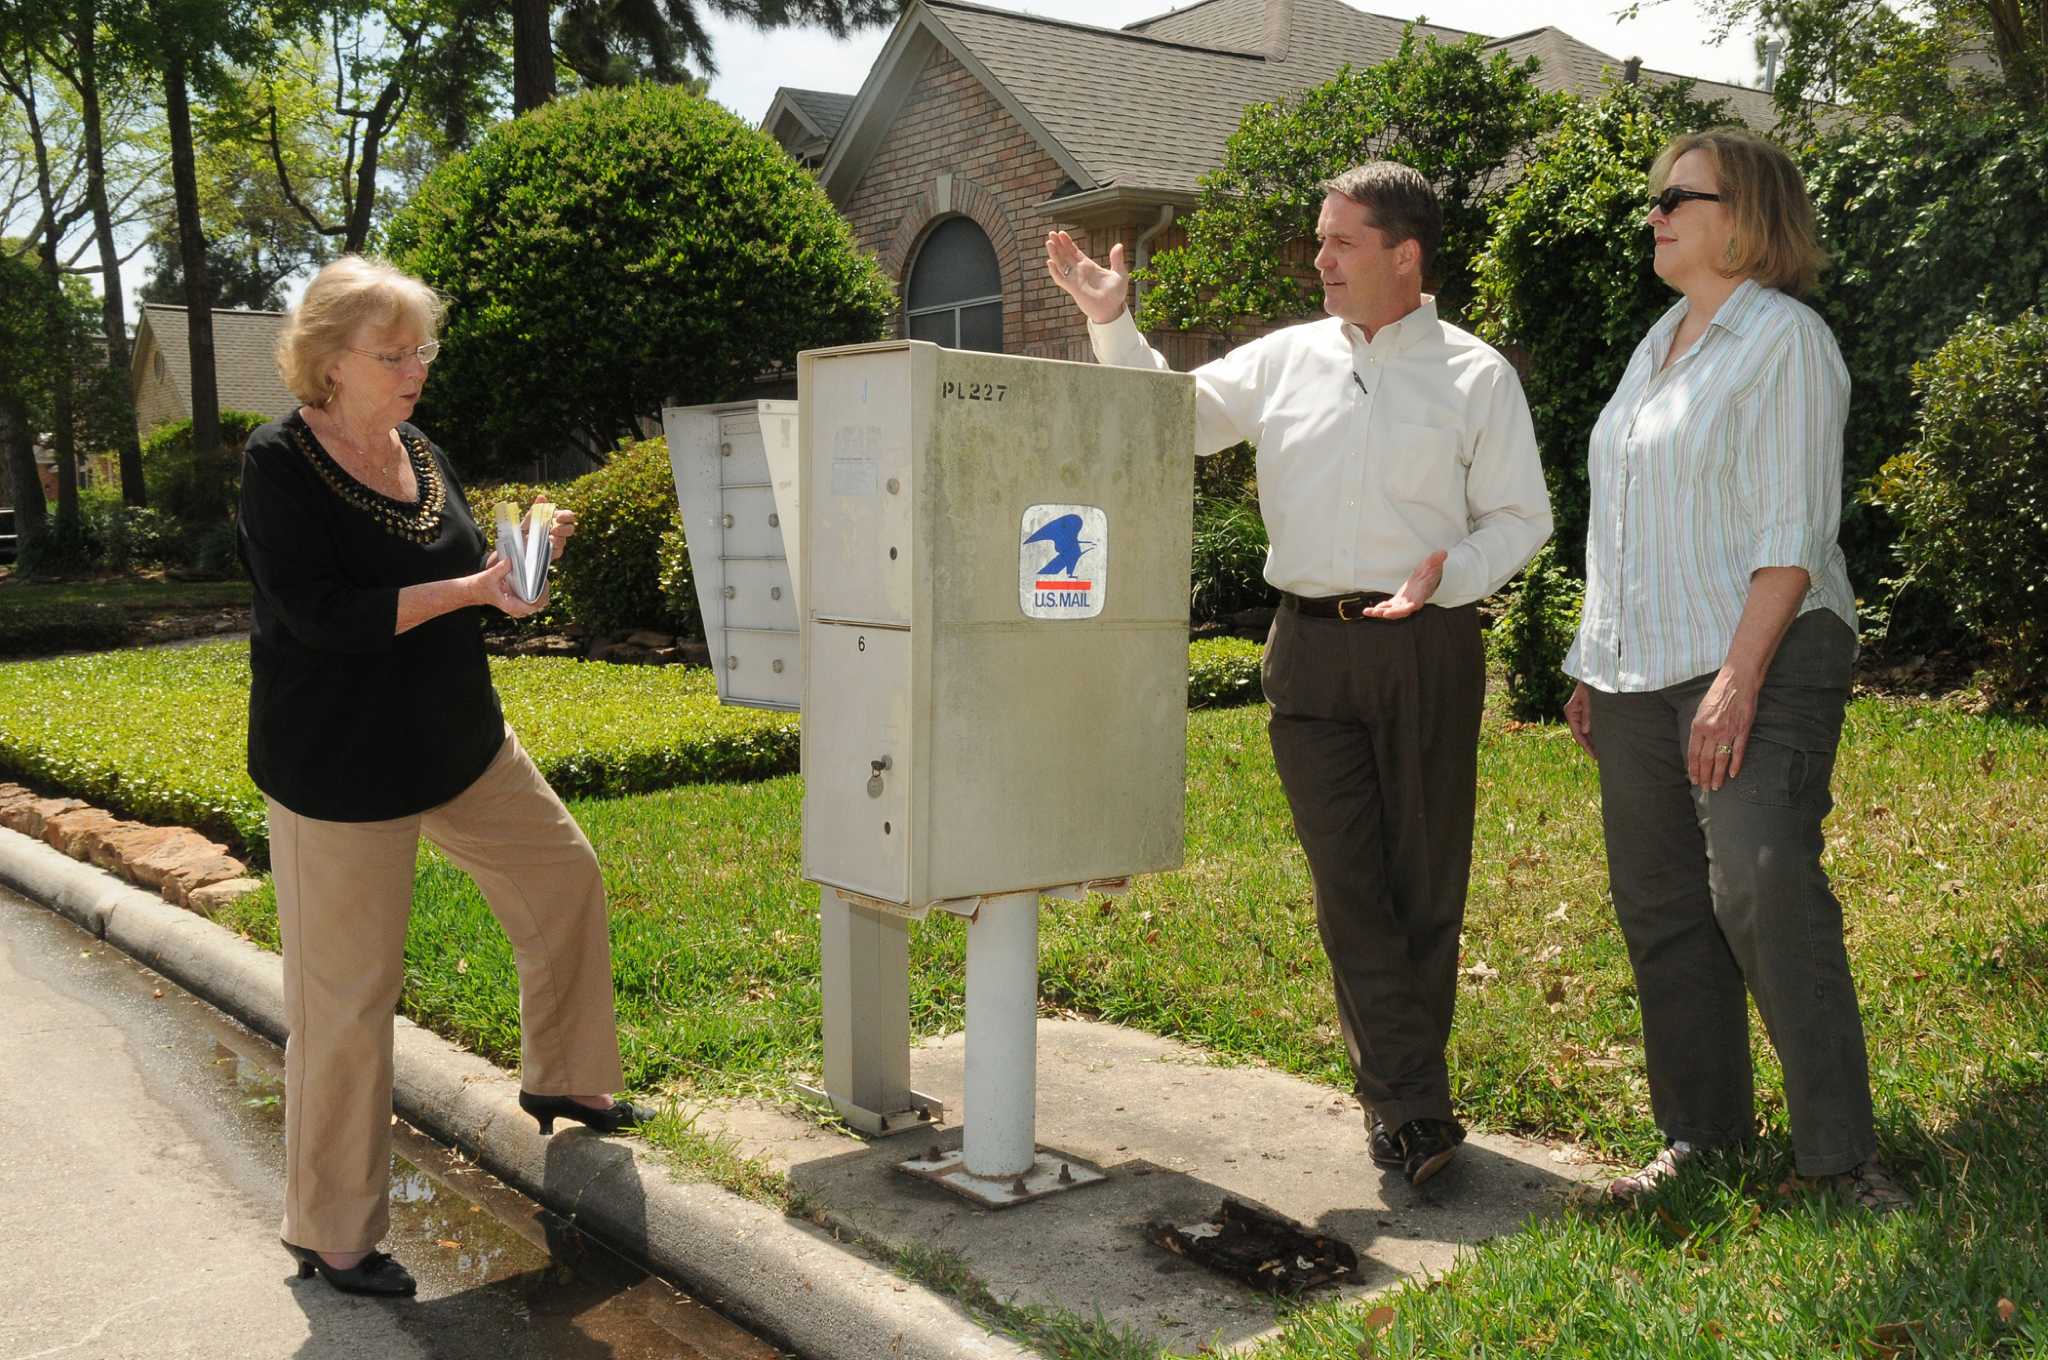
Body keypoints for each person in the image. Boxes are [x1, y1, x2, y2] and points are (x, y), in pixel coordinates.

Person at [1046, 162, 1552, 1186]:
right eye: (1317, 240)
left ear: (1403, 256)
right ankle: (1411, 1110)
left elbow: (1520, 518)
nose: (1317, 260)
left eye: (1339, 243)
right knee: (1347, 881)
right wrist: (1111, 325)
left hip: (1426, 643)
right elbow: (1172, 420)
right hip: (1307, 650)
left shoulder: (1473, 375)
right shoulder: (1285, 360)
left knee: (1421, 886)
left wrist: (1446, 574)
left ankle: (1403, 1094)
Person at [238, 255, 650, 1298]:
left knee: (564, 875)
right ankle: (331, 1232)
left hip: (458, 741)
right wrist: (465, 586)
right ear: (327, 359)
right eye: (394, 353)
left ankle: (566, 1079)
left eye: (423, 347)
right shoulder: (279, 463)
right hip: (337, 768)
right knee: (347, 1000)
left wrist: (517, 568)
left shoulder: (418, 449)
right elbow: (321, 615)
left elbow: (462, 573)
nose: (416, 367)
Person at [1559, 129, 1905, 1210]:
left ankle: (1840, 1160)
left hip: (1762, 649)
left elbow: (1790, 532)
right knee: (1659, 906)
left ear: (1743, 213)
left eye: (1677, 197)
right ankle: (1698, 1138)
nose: (1654, 214)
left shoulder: (1784, 340)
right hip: (1632, 671)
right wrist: (1590, 658)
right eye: (1654, 198)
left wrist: (1736, 676)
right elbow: (1624, 516)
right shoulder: (1657, 340)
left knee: (1758, 878)